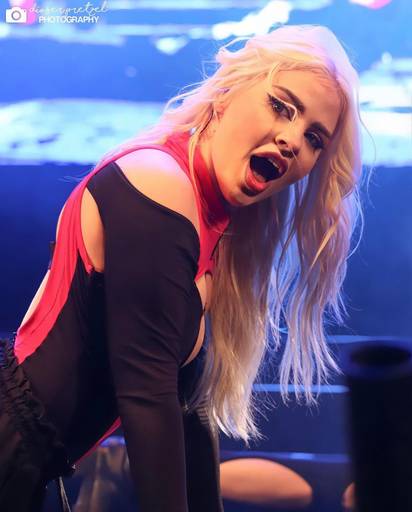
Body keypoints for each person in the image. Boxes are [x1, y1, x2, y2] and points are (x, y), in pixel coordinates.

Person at [0, 23, 363, 512]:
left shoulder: (212, 228)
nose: (293, 140)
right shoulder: (157, 185)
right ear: (227, 94)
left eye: (314, 137)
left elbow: (190, 414)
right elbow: (146, 397)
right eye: (281, 106)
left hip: (26, 469)